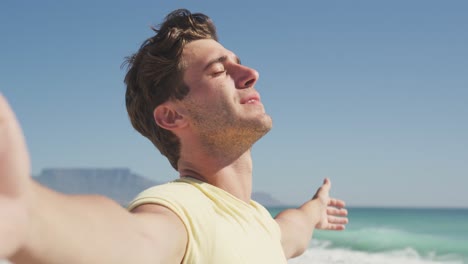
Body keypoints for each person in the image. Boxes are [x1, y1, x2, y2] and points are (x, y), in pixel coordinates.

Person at [0, 9, 348, 264]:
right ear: (171, 115)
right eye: (218, 71)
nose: (250, 74)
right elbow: (133, 241)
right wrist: (26, 216)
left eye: (238, 62)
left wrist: (315, 210)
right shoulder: (182, 213)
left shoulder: (259, 223)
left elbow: (294, 230)